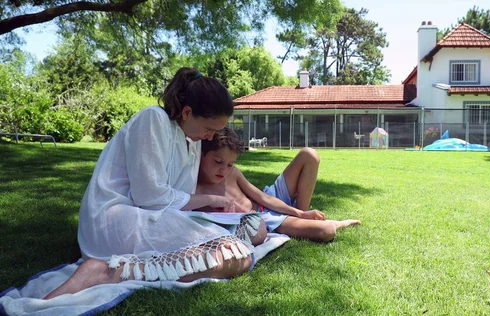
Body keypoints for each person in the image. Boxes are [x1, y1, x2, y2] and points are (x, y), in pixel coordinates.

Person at [44, 68, 257, 300]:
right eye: (209, 128)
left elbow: (178, 197)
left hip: (149, 215)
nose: (210, 137)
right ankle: (107, 273)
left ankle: (116, 271)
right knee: (234, 256)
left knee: (246, 240)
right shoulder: (153, 119)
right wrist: (211, 200)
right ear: (187, 112)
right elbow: (150, 197)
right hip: (114, 218)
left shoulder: (192, 140)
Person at [196, 128, 361, 242]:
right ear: (200, 155)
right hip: (265, 220)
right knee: (327, 231)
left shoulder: (232, 173)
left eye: (230, 164)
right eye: (218, 162)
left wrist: (298, 213)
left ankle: (302, 215)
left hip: (269, 200)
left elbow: (262, 197)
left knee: (309, 154)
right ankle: (334, 223)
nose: (223, 169)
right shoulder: (195, 191)